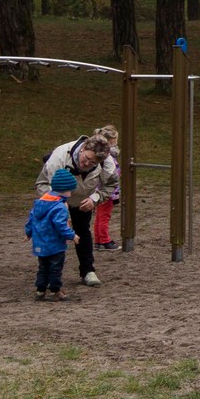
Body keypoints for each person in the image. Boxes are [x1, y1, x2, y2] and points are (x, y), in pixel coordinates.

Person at [37, 134, 109, 287]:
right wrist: (58, 204)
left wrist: (94, 198)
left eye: (93, 162)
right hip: (53, 197)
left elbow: (111, 184)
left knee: (82, 230)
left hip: (82, 200)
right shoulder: (59, 157)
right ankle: (48, 276)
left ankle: (88, 271)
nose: (87, 163)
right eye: (86, 158)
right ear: (83, 148)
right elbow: (47, 183)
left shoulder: (106, 163)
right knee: (54, 234)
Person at [27, 167, 80, 300]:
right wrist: (72, 235)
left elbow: (31, 218)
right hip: (54, 244)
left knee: (43, 266)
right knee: (55, 267)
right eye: (70, 190)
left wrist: (28, 232)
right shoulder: (60, 207)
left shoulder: (41, 202)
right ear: (65, 190)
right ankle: (55, 290)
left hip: (40, 243)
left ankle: (40, 290)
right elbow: (60, 225)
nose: (71, 193)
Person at [89, 125, 122, 250]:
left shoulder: (101, 154)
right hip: (106, 190)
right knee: (104, 216)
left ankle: (99, 240)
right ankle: (104, 240)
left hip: (102, 189)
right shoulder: (107, 155)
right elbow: (111, 174)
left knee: (100, 215)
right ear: (112, 141)